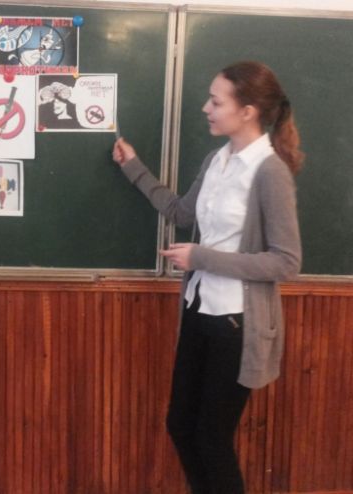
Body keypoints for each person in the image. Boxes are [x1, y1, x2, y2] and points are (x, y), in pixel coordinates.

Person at [112, 61, 303, 493]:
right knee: (182, 426)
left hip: (237, 323)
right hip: (200, 311)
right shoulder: (217, 160)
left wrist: (202, 257)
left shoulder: (269, 171)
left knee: (212, 440)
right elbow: (182, 212)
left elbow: (285, 262)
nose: (206, 108)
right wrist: (133, 166)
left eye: (216, 102)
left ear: (248, 111)